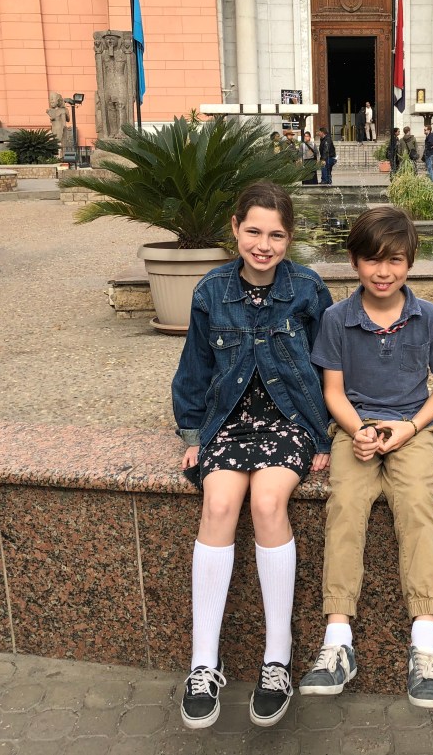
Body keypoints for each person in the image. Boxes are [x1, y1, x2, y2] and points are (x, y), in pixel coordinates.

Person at [173, 181, 333, 730]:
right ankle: (203, 663)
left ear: (290, 238)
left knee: (267, 503)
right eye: (255, 232)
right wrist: (193, 435)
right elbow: (195, 367)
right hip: (229, 421)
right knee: (219, 504)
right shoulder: (211, 291)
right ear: (235, 228)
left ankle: (277, 660)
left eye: (277, 235)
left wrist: (325, 437)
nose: (264, 245)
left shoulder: (307, 289)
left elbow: (331, 367)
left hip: (291, 420)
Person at [298, 206, 433, 709]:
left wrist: (410, 427)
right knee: (345, 504)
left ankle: (426, 645)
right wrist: (359, 431)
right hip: (355, 428)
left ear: (410, 262)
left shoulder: (429, 318)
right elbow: (333, 391)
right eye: (372, 260)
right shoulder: (336, 319)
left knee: (418, 505)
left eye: (394, 260)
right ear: (353, 261)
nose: (383, 271)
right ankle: (337, 640)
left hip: (412, 428)